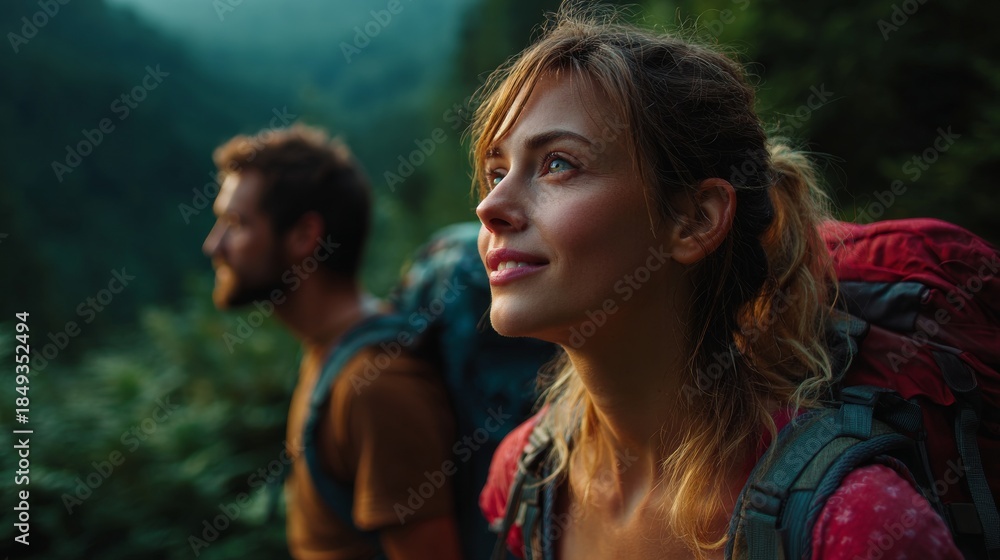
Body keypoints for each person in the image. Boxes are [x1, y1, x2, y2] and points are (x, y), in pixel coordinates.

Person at [473, 5, 963, 560]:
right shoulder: (527, 479)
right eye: (496, 171)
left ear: (697, 219)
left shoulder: (856, 526)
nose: (491, 207)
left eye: (558, 163)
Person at [202, 124, 462, 560]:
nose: (214, 245)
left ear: (305, 237)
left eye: (236, 223)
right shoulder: (328, 353)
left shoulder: (376, 386)